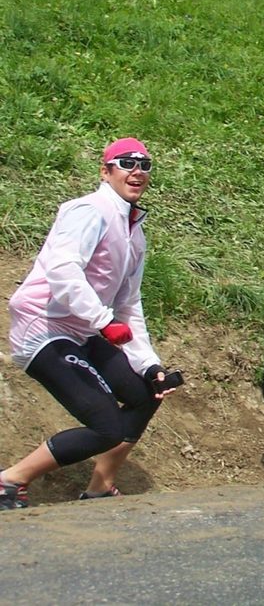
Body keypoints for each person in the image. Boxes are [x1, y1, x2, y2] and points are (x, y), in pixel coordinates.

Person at [2, 138, 180, 509]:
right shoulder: (89, 211)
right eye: (127, 163)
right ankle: (10, 480)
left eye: (145, 165)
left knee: (146, 393)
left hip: (84, 330)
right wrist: (103, 321)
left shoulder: (135, 232)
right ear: (105, 170)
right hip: (44, 327)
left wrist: (148, 363)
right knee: (106, 427)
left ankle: (101, 485)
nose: (137, 171)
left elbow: (128, 305)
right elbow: (62, 271)